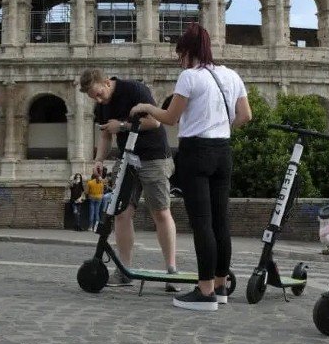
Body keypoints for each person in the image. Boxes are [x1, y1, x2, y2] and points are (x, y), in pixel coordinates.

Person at [130, 23, 252, 311]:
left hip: (197, 151)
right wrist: (219, 125)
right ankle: (221, 287)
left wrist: (144, 108)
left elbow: (170, 117)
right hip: (223, 150)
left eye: (179, 54)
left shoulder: (189, 77)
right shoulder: (231, 75)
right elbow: (245, 115)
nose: (179, 60)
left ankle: (205, 290)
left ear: (187, 52)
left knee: (202, 222)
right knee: (221, 221)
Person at [79, 68, 179, 291]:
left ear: (106, 82)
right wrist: (98, 160)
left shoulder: (135, 89)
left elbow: (155, 122)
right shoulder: (102, 104)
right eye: (93, 98)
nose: (98, 100)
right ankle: (124, 271)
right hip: (127, 160)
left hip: (154, 157)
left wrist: (122, 125)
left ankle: (171, 271)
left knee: (161, 213)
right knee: (121, 214)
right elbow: (106, 133)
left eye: (99, 94)